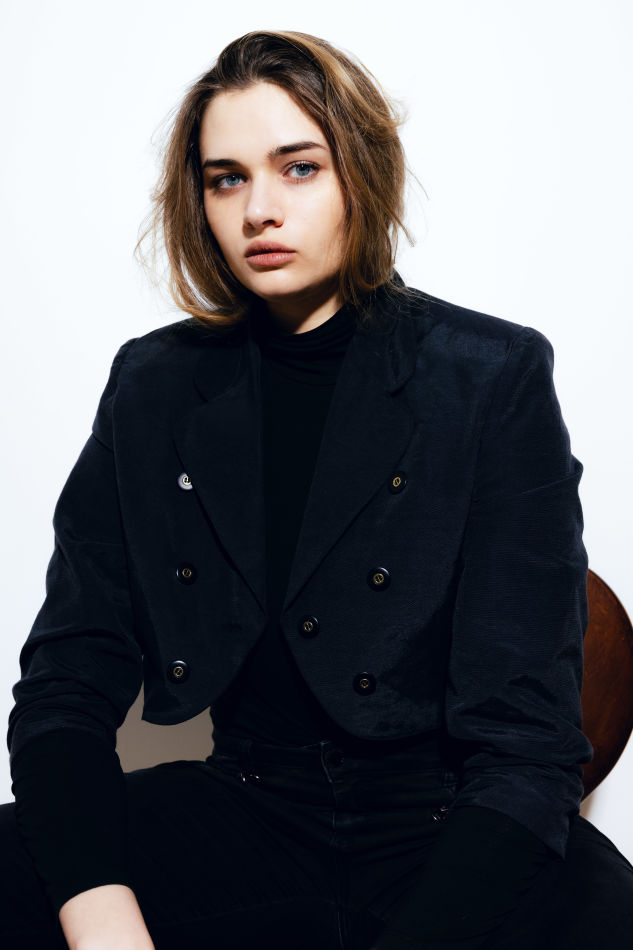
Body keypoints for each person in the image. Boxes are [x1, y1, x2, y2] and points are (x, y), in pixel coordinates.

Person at [1, 28, 632, 950]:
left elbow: (526, 744)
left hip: (450, 827)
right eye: (226, 179)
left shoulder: (489, 376)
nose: (259, 209)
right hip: (247, 809)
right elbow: (66, 681)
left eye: (298, 168)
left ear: (359, 178)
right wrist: (101, 917)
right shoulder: (154, 385)